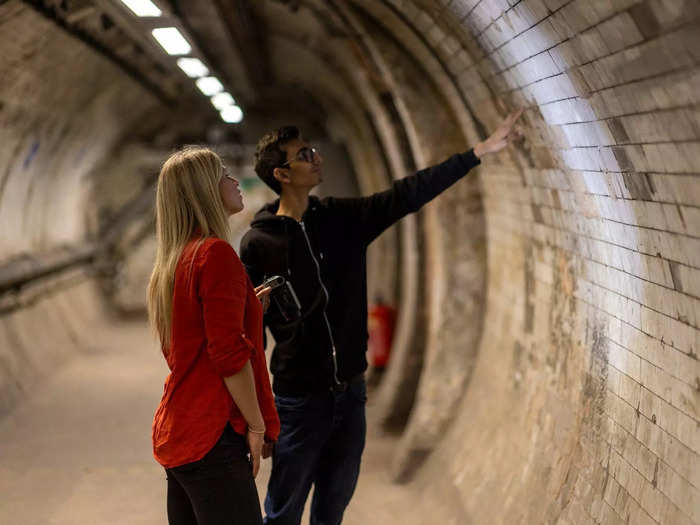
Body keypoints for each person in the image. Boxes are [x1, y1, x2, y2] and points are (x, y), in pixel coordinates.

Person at [240, 110, 523, 525]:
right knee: (283, 511)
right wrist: (258, 416)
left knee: (332, 507)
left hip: (350, 394)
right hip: (299, 399)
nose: (317, 157)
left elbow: (406, 194)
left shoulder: (341, 219)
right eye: (305, 154)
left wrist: (477, 152)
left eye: (313, 149)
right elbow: (249, 337)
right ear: (282, 174)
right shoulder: (258, 243)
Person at [148, 146, 280, 525]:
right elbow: (227, 355)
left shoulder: (175, 260)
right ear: (204, 190)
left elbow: (192, 338)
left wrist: (246, 308)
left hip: (180, 429)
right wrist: (257, 425)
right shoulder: (215, 254)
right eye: (223, 174)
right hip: (213, 432)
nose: (234, 180)